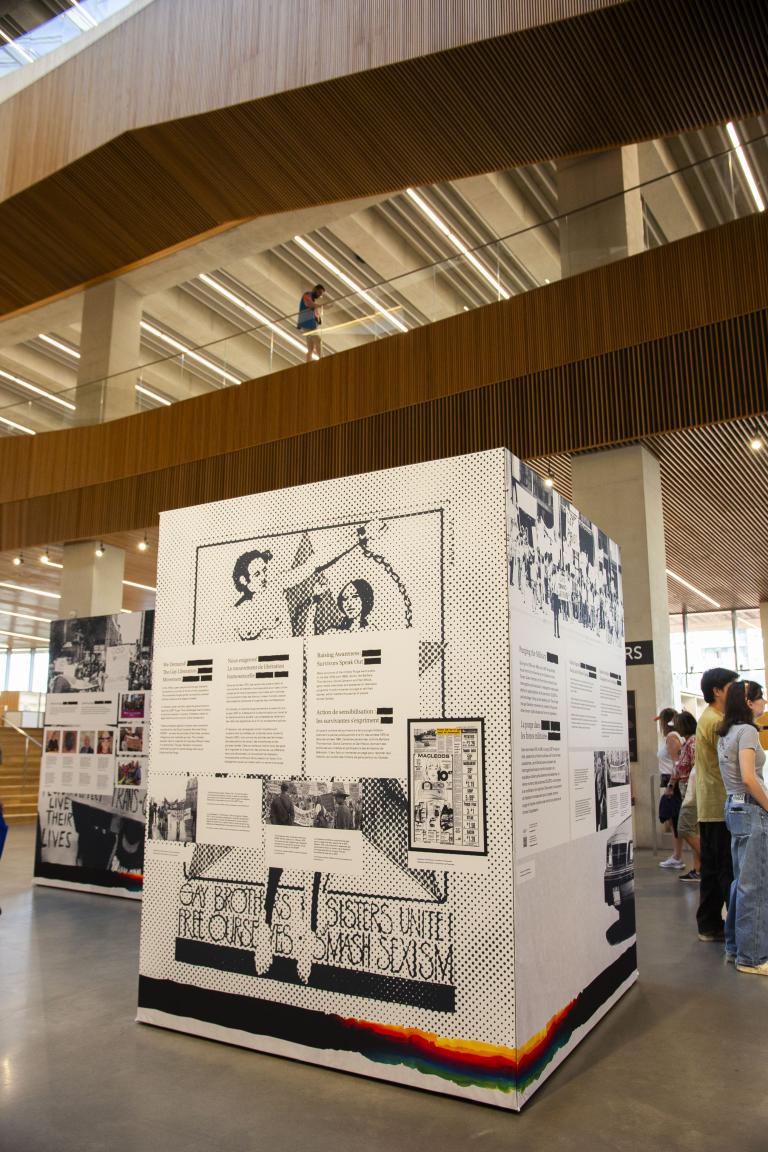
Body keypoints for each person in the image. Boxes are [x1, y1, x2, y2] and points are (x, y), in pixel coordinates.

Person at [718, 680, 767, 972]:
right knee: (755, 884)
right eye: (760, 698)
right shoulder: (747, 731)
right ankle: (752, 957)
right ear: (748, 702)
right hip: (750, 808)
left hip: (734, 807)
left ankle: (735, 947)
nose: (764, 703)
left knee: (741, 882)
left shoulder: (727, 732)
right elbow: (750, 777)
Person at [696, 666, 738, 941]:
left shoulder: (711, 717)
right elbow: (731, 763)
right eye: (731, 687)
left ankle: (709, 925)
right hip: (718, 804)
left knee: (713, 869)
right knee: (724, 869)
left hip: (711, 804)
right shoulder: (715, 721)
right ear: (717, 690)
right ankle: (734, 931)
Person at [671, 710, 700, 882]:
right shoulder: (687, 742)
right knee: (694, 829)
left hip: (692, 792)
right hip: (686, 790)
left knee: (685, 827)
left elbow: (695, 769)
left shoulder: (693, 742)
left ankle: (710, 862)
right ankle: (698, 869)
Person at [655, 708, 684, 868]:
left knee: (677, 820)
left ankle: (679, 856)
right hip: (670, 781)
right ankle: (676, 855)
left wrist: (671, 785)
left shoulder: (672, 738)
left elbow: (677, 763)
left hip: (673, 782)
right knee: (674, 821)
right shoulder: (672, 737)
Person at [297, 283, 330, 362]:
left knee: (311, 348)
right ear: (315, 289)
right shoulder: (307, 295)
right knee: (318, 341)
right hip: (307, 324)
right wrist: (322, 306)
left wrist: (318, 319)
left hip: (310, 324)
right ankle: (323, 359)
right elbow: (309, 304)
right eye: (319, 293)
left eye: (321, 294)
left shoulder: (312, 299)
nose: (319, 295)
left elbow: (314, 310)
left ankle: (308, 363)